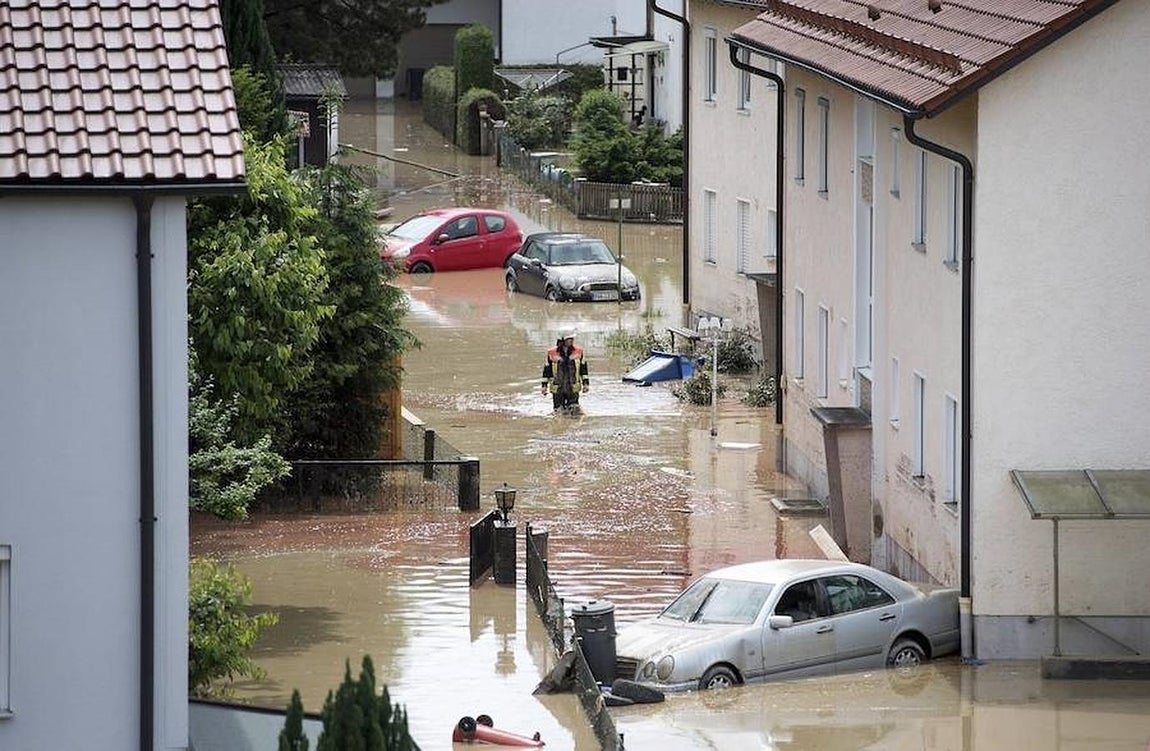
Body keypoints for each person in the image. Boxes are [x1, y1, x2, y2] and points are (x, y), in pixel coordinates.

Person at [542, 333, 588, 410]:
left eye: (572, 338)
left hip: (573, 387)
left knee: (574, 409)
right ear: (562, 340)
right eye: (569, 339)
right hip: (557, 388)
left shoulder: (579, 351)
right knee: (558, 410)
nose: (572, 340)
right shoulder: (551, 352)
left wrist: (586, 384)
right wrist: (544, 386)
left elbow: (583, 369)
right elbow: (547, 371)